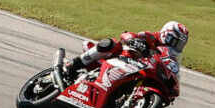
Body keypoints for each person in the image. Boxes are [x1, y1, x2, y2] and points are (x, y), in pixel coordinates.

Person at [61, 22, 190, 84]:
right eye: (175, 42)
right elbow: (126, 34)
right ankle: (73, 64)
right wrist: (134, 41)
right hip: (119, 60)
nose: (176, 46)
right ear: (166, 35)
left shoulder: (168, 55)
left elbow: (170, 69)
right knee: (113, 43)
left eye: (180, 44)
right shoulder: (151, 37)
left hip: (134, 73)